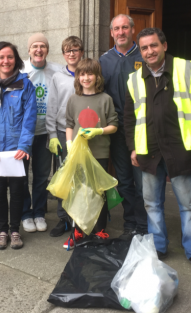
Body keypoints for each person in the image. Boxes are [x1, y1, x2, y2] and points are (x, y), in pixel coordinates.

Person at [123, 28, 191, 272]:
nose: (149, 51)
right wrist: (133, 147)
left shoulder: (186, 69)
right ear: (140, 52)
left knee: (189, 204)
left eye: (153, 45)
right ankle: (159, 247)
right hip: (149, 150)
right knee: (152, 204)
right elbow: (129, 118)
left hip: (180, 147)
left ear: (164, 45)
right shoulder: (134, 79)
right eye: (144, 48)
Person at [0, 42, 37, 250]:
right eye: (1, 57)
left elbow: (30, 118)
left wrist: (24, 146)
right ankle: (2, 231)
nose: (6, 61)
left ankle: (15, 230)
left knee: (18, 191)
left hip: (17, 150)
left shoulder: (25, 85)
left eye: (10, 57)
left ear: (16, 59)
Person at [99, 14, 148, 240]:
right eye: (116, 29)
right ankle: (130, 222)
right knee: (125, 180)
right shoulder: (104, 60)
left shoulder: (145, 55)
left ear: (132, 30)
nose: (120, 32)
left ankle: (144, 223)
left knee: (143, 180)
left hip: (142, 129)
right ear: (111, 33)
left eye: (125, 28)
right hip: (116, 130)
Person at [64, 58, 118, 249]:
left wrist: (99, 131)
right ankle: (78, 229)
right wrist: (69, 143)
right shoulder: (73, 99)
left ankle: (99, 228)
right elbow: (69, 123)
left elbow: (114, 125)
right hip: (79, 154)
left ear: (97, 77)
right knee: (79, 191)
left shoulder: (106, 99)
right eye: (82, 74)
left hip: (100, 152)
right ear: (77, 77)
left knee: (98, 191)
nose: (86, 78)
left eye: (90, 74)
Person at [21, 33, 61, 233]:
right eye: (35, 46)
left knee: (41, 176)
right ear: (29, 50)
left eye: (42, 46)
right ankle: (25, 214)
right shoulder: (20, 70)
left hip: (45, 132)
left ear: (47, 49)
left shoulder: (56, 70)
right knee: (21, 175)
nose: (38, 50)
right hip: (23, 134)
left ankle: (39, 212)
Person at [46, 36, 84, 237]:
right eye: (68, 50)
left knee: (82, 178)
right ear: (63, 54)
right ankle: (63, 219)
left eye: (75, 50)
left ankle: (80, 218)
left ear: (81, 52)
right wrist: (52, 133)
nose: (72, 53)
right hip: (62, 133)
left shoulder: (89, 73)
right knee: (64, 178)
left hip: (84, 134)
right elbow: (52, 106)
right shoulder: (57, 77)